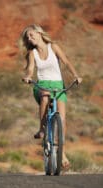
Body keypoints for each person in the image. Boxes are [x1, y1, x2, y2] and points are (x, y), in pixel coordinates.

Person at [21, 24, 82, 169]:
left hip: (58, 85)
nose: (30, 38)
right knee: (45, 97)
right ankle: (42, 129)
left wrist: (76, 75)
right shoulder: (32, 53)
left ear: (39, 33)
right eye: (27, 37)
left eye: (31, 35)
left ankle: (62, 152)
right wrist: (28, 77)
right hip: (42, 85)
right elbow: (30, 69)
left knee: (62, 118)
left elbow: (66, 61)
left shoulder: (53, 46)